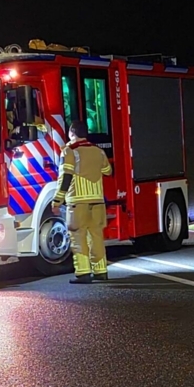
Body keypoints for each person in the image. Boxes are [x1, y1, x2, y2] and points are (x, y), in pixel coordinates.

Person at [51, 120, 112, 283]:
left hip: (77, 203)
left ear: (72, 133)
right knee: (96, 237)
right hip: (98, 202)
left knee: (78, 237)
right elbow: (108, 171)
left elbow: (65, 177)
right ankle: (101, 271)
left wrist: (57, 200)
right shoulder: (98, 152)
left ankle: (83, 273)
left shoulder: (69, 151)